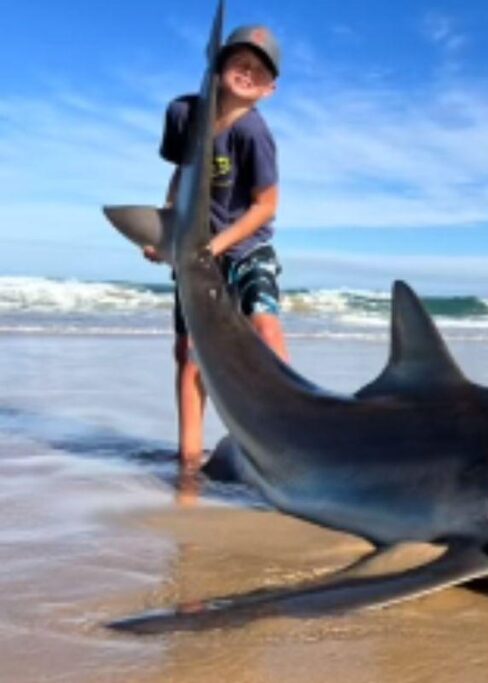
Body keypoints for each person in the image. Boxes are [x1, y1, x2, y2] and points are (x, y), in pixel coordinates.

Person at [146, 25, 288, 470]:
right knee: (188, 358)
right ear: (219, 63)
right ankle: (189, 459)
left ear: (269, 89)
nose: (248, 72)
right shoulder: (183, 114)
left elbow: (266, 207)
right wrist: (167, 232)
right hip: (194, 253)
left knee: (265, 328)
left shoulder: (253, 133)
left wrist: (217, 244)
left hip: (246, 245)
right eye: (240, 61)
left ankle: (292, 433)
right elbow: (181, 176)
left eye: (259, 69)